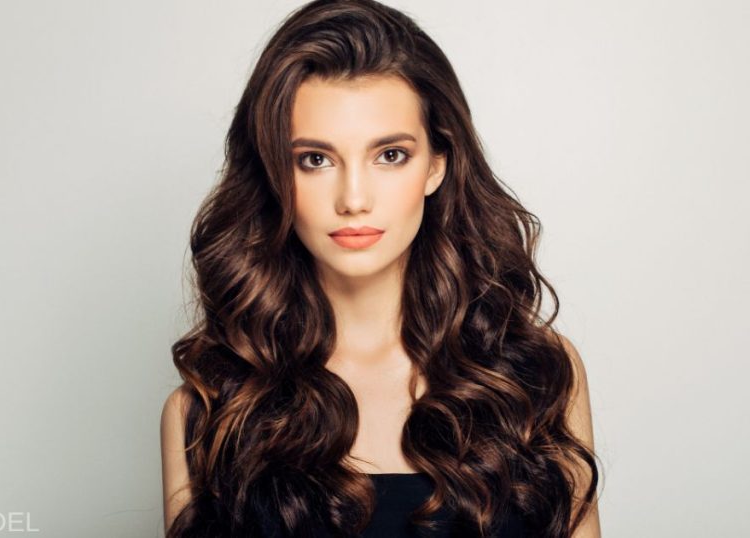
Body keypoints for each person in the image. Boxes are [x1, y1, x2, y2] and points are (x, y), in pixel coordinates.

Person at [160, 0, 601, 536]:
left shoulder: (536, 373)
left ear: (437, 164)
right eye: (314, 160)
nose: (353, 198)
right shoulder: (211, 407)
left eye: (389, 155)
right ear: (275, 174)